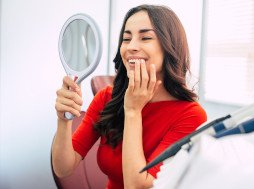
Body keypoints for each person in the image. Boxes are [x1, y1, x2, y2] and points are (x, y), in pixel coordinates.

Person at [52, 4, 207, 189]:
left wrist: (133, 110)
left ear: (170, 47)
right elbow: (63, 168)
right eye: (126, 39)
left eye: (145, 37)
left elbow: (137, 187)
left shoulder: (191, 115)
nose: (131, 47)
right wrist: (63, 121)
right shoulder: (106, 98)